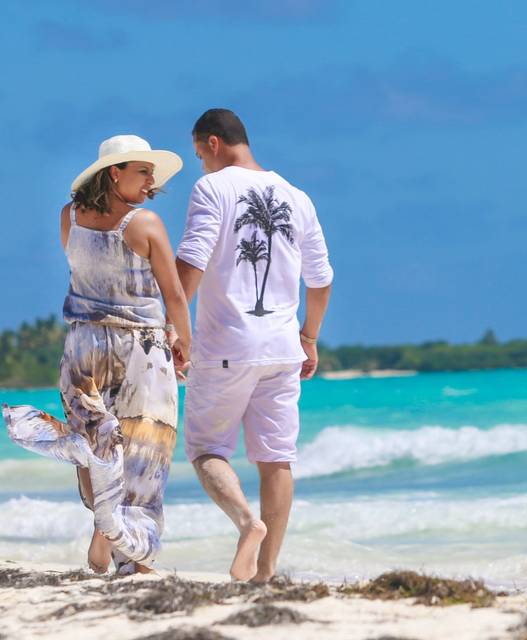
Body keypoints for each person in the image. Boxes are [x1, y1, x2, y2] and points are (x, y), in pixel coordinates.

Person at [2, 135, 191, 575]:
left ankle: (104, 534)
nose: (151, 182)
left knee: (99, 445)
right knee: (145, 450)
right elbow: (175, 294)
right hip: (140, 349)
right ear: (114, 172)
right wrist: (186, 348)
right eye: (142, 171)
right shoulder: (146, 225)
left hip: (83, 347)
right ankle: (137, 557)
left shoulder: (69, 216)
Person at [174, 108, 333, 582]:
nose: (200, 162)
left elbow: (192, 263)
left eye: (199, 152)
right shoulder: (297, 196)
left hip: (226, 345)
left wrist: (175, 330)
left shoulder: (213, 188)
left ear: (213, 143)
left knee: (205, 448)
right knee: (276, 458)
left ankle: (248, 523)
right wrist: (309, 337)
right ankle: (265, 574)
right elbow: (321, 280)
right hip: (283, 349)